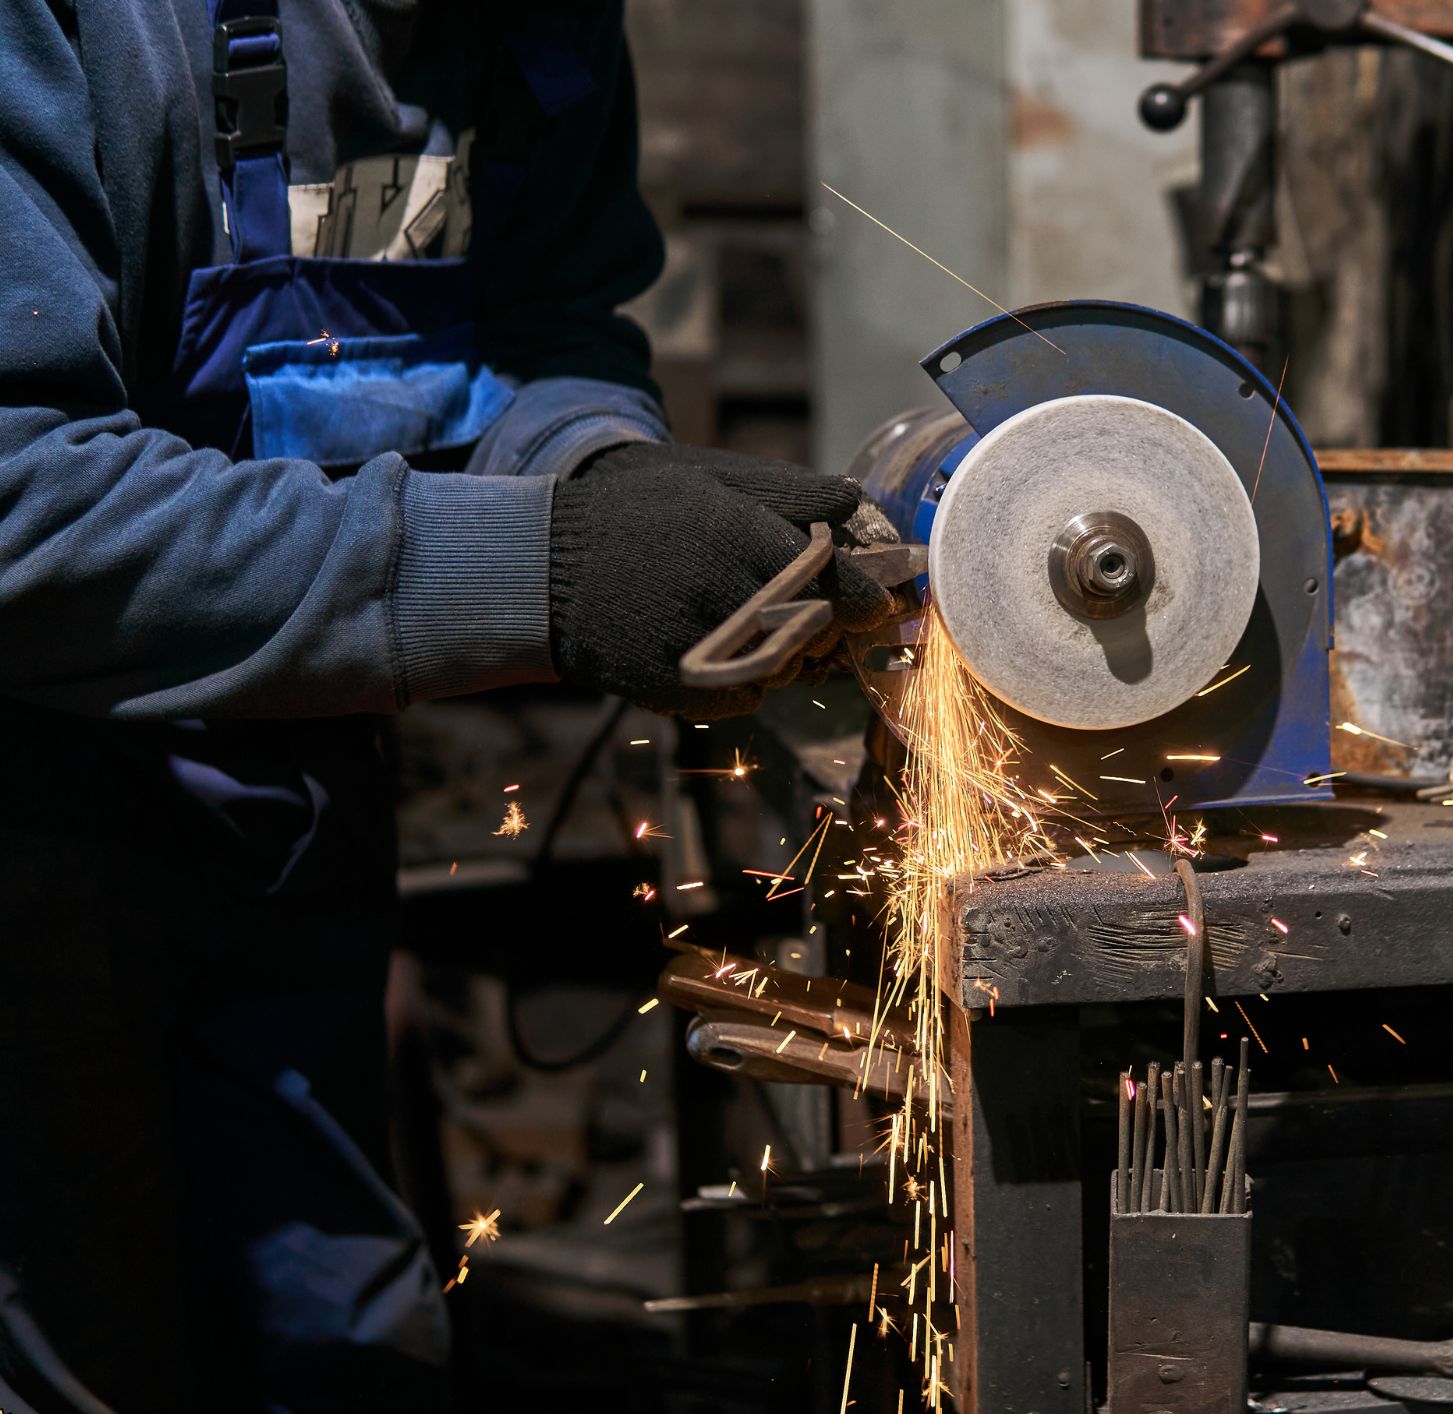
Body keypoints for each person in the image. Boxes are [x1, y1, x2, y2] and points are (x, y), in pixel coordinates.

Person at [0, 3, 895, 1410]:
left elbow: (548, 336)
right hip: (27, 823)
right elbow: (20, 516)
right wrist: (544, 569)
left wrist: (605, 481)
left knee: (351, 1357)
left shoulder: (538, 33)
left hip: (280, 817)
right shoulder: (79, 30)